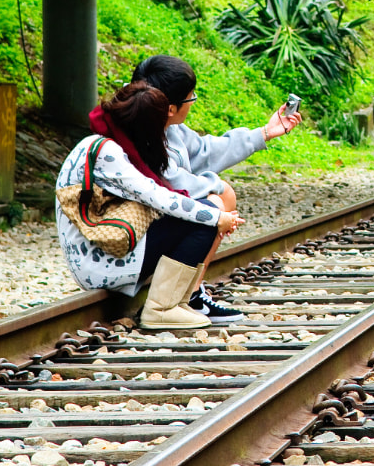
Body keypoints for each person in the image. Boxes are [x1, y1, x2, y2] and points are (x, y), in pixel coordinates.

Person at [115, 55, 301, 323]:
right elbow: (171, 185)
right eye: (190, 98)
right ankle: (166, 306)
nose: (192, 103)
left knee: (221, 196)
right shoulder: (140, 136)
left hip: (149, 227)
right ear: (170, 107)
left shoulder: (165, 125)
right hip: (125, 243)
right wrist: (217, 200)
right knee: (214, 204)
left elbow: (205, 151)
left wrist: (264, 133)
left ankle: (190, 294)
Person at [56, 81, 243, 330]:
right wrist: (217, 217)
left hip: (98, 249)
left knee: (201, 213)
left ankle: (178, 302)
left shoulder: (102, 141)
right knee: (201, 221)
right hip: (97, 263)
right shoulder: (107, 153)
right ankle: (161, 309)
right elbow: (158, 197)